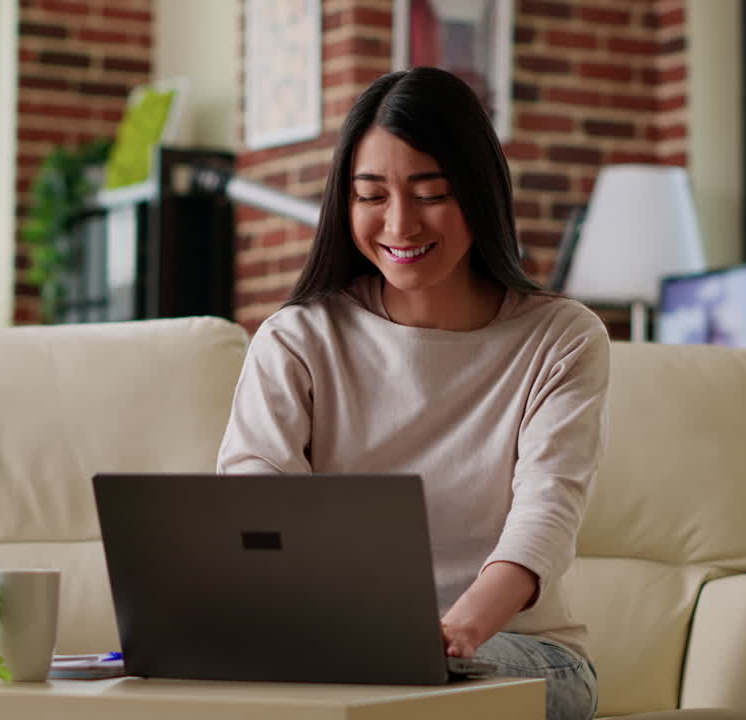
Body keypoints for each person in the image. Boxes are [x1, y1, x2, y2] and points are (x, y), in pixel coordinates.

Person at [216, 67, 608, 720]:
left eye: (431, 193)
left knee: (417, 691)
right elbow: (252, 498)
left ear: (479, 192)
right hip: (344, 660)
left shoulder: (561, 338)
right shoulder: (298, 339)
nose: (400, 223)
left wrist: (453, 636)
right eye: (372, 195)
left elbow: (546, 517)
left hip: (521, 654)